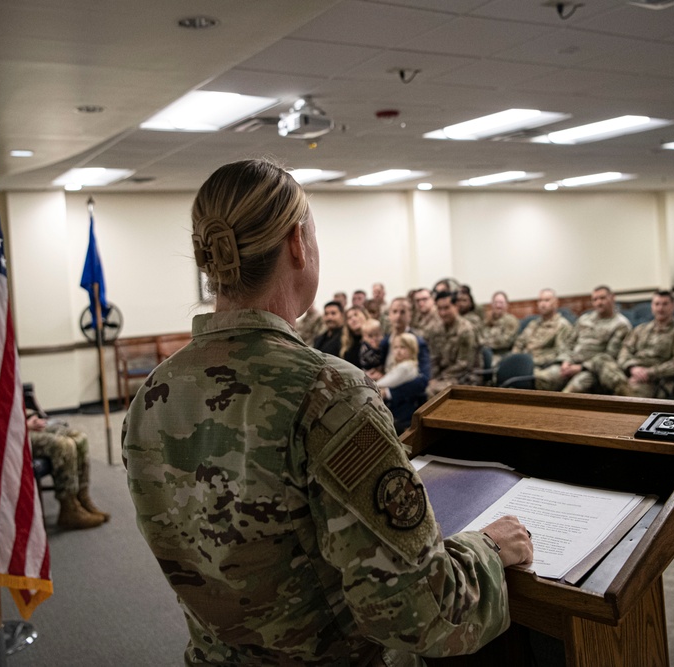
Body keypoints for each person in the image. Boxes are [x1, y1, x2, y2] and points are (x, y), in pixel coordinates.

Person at [123, 159, 532, 666]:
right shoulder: (327, 390)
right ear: (298, 241)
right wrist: (489, 549)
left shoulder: (153, 394)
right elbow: (419, 614)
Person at [0, 384, 107, 530]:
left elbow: (8, 402)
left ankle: (82, 497)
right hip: (4, 439)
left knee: (80, 438)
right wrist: (23, 425)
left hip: (19, 425)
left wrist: (29, 416)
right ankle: (69, 508)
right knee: (64, 446)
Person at [584, 290, 674, 397]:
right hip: (630, 373)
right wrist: (632, 368)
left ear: (673, 306)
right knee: (601, 359)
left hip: (654, 380)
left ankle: (622, 392)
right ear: (652, 306)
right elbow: (625, 350)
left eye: (665, 304)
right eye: (657, 304)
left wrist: (648, 373)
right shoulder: (641, 329)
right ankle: (624, 389)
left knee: (607, 390)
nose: (660, 308)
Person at [535, 285, 632, 393]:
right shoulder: (584, 319)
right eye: (595, 299)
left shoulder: (621, 325)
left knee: (569, 392)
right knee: (542, 380)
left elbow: (609, 357)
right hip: (571, 363)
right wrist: (566, 361)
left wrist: (580, 368)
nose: (599, 302)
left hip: (592, 370)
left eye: (602, 298)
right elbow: (569, 343)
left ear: (612, 298)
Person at [372, 297, 432, 433]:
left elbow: (423, 380)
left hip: (405, 399)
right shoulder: (386, 341)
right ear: (389, 315)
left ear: (410, 315)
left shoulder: (417, 341)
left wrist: (388, 393)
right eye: (395, 311)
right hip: (383, 393)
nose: (398, 316)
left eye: (403, 312)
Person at [426, 291, 482, 398]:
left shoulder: (465, 330)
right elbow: (434, 358)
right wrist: (432, 377)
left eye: (446, 308)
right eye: (439, 309)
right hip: (444, 376)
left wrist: (439, 379)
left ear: (456, 306)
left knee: (431, 391)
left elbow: (464, 364)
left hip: (466, 377)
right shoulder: (436, 329)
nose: (443, 313)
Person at [512, 289, 573, 368]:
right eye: (540, 301)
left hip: (542, 366)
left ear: (556, 303)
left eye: (547, 300)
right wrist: (514, 359)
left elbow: (560, 353)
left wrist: (532, 360)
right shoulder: (533, 324)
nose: (542, 304)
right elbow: (519, 343)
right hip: (523, 363)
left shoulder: (562, 326)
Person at [480, 291, 518, 365]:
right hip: (485, 353)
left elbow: (505, 342)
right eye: (495, 303)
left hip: (501, 355)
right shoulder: (487, 320)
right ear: (492, 305)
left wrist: (484, 343)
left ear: (507, 305)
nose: (498, 306)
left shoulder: (511, 321)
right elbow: (480, 335)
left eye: (501, 303)